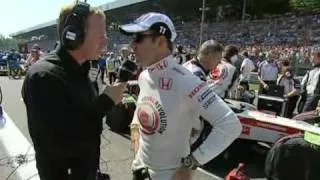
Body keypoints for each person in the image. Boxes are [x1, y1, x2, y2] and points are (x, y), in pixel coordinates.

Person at [119, 12, 242, 180]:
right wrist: (136, 150)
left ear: (161, 41)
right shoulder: (144, 76)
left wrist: (191, 163)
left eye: (138, 38)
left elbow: (230, 124)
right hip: (140, 170)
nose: (132, 45)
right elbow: (140, 115)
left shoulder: (187, 81)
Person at [21, 2, 125, 180]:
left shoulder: (84, 70)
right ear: (73, 35)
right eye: (100, 35)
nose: (106, 41)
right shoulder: (44, 76)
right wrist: (106, 102)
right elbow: (62, 144)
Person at [299, 46, 320, 113]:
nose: (312, 59)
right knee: (300, 112)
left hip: (313, 98)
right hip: (305, 96)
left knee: (304, 117)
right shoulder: (311, 71)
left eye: (314, 57)